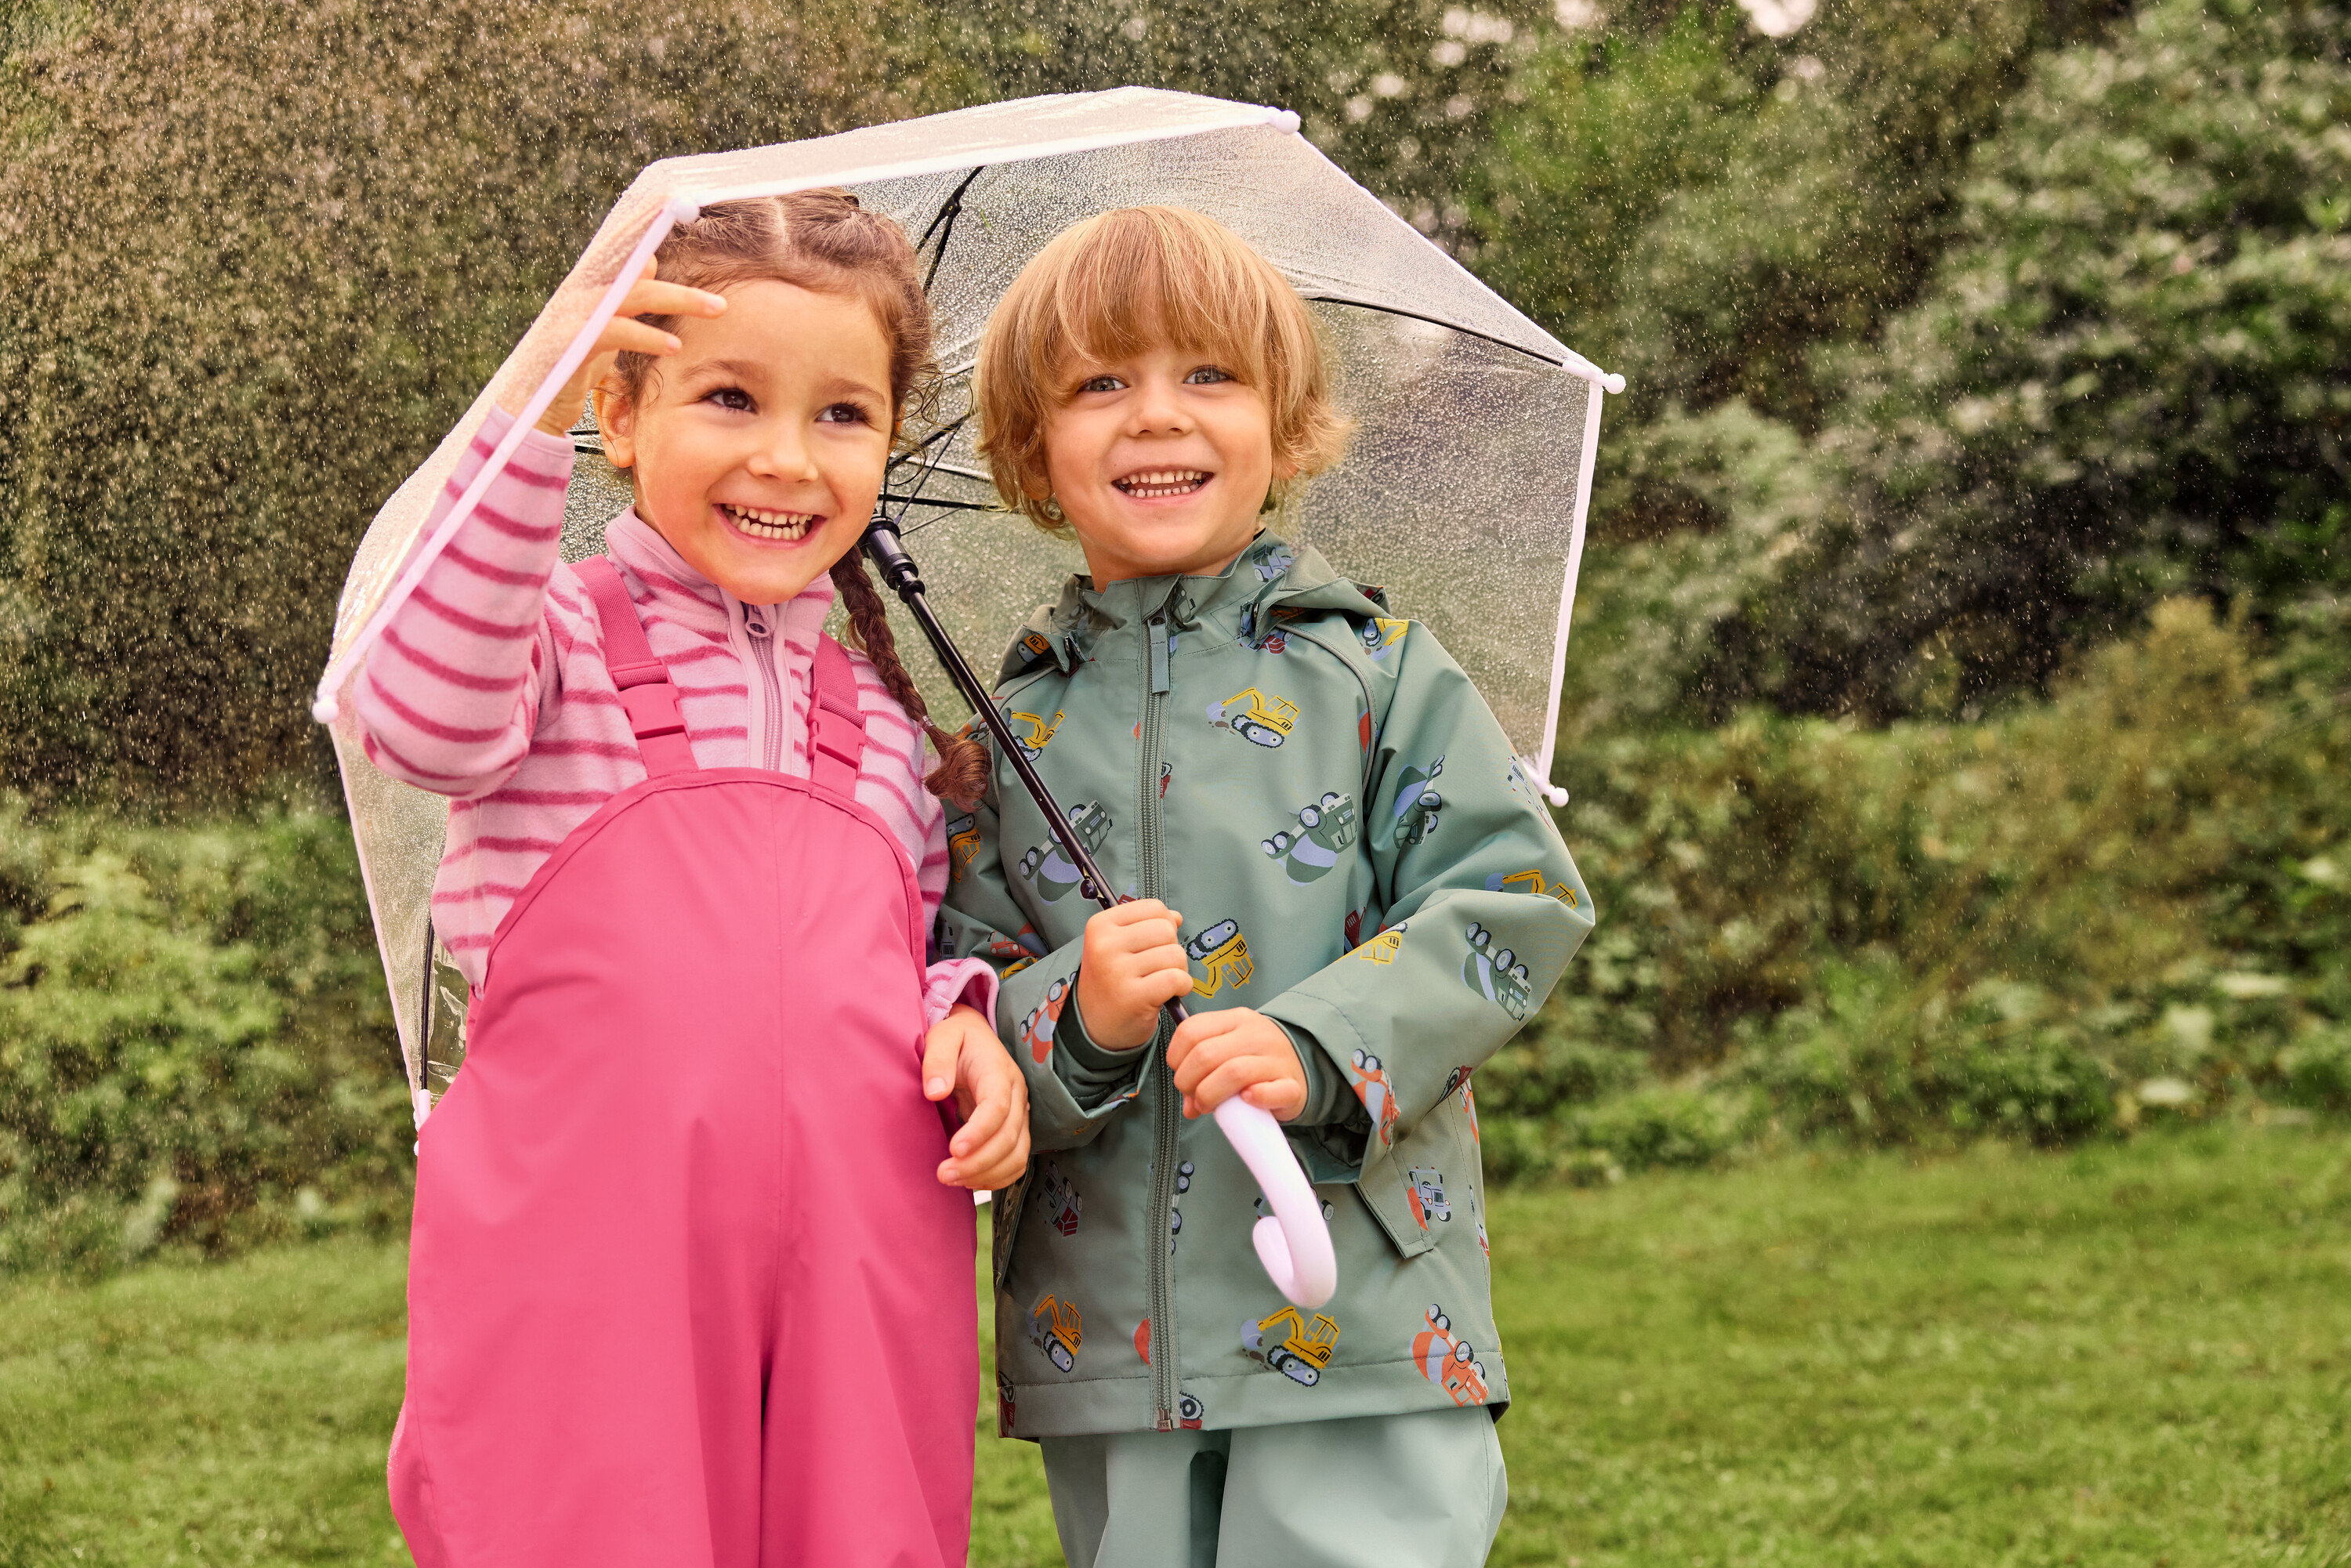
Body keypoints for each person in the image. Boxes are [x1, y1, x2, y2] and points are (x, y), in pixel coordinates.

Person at [355, 190, 1026, 1568]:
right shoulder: (550, 647)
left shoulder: (891, 725)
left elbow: (906, 951)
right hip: (593, 1275)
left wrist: (965, 1016)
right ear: (620, 411)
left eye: (844, 414)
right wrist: (523, 415)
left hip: (857, 1271)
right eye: (729, 397)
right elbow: (420, 715)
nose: (786, 457)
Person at [939, 205, 1596, 1568]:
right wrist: (1077, 1019)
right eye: (1099, 384)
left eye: (1209, 376)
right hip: (1113, 1335)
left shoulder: (1375, 672)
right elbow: (962, 987)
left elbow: (1511, 897)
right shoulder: (1004, 735)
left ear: (1285, 425)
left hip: (1354, 1302)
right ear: (1030, 449)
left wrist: (1319, 1043)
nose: (1155, 419)